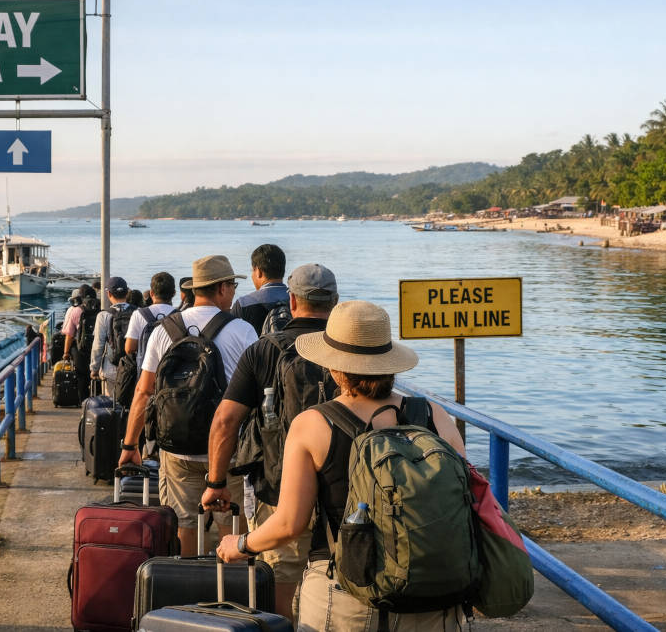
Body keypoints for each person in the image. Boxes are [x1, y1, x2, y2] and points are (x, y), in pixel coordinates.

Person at [215, 301, 467, 631]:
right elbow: (469, 495)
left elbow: (290, 523)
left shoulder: (314, 424)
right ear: (389, 363)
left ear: (335, 369)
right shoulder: (434, 415)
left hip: (346, 596)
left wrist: (241, 544)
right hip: (432, 591)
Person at [202, 263, 338, 621]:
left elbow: (225, 420)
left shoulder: (264, 350)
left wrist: (216, 482)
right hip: (344, 496)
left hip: (278, 492)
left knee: (279, 591)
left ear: (291, 301)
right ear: (336, 303)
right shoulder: (350, 351)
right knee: (339, 591)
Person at [119, 255, 258, 555]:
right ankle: (229, 588)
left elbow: (143, 393)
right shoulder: (243, 331)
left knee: (184, 523)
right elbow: (256, 395)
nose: (233, 292)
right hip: (228, 450)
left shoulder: (163, 331)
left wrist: (130, 444)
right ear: (221, 288)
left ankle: (188, 585)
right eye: (232, 286)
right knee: (230, 524)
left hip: (176, 447)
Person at [89, 277, 133, 397]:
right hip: (134, 368)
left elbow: (98, 345)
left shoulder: (103, 316)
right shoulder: (138, 313)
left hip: (111, 369)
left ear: (108, 293)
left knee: (111, 407)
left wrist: (94, 368)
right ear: (127, 291)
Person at [232, 244, 289, 334]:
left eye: (252, 270)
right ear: (283, 270)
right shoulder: (297, 300)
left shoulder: (243, 304)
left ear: (258, 271)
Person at [125, 272, 176, 372]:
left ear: (151, 293)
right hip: (172, 373)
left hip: (146, 371)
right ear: (174, 293)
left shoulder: (138, 314)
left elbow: (129, 348)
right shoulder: (180, 315)